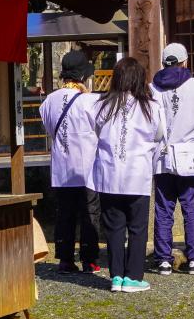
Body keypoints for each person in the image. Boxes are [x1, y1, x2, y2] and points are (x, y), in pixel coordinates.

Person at [91, 56, 165, 293]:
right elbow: (159, 134)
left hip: (109, 175)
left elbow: (96, 130)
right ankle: (133, 277)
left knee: (114, 228)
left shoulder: (102, 105)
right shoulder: (151, 106)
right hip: (137, 174)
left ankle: (116, 277)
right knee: (137, 227)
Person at [150, 42, 194, 275]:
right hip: (189, 156)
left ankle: (163, 260)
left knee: (163, 209)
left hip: (162, 156)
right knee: (191, 208)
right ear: (185, 61)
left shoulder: (152, 89)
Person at [40, 49, 101, 275]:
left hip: (61, 168)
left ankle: (65, 259)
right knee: (89, 213)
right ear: (83, 76)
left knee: (64, 213)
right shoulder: (90, 101)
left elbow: (49, 129)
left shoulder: (49, 101)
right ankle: (89, 259)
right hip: (86, 167)